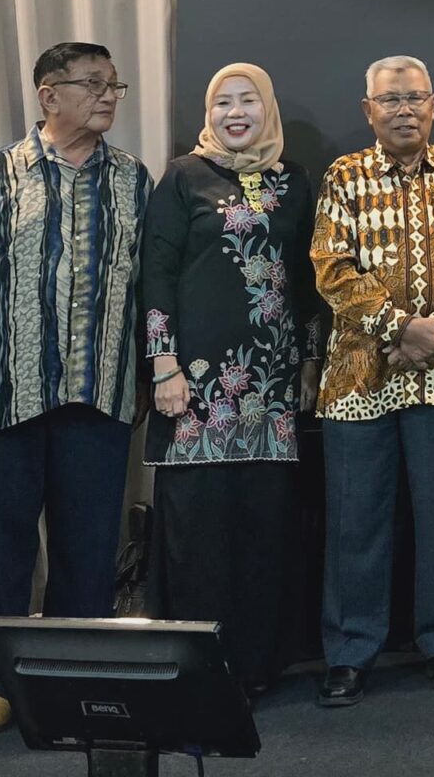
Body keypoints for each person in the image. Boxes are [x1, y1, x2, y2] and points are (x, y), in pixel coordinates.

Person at [0, 41, 152, 735]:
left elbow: (147, 286)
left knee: (88, 549)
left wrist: (148, 373)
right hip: (8, 395)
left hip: (100, 392)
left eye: (114, 85)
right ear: (48, 94)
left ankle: (75, 681)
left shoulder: (133, 179)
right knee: (1, 544)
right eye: (93, 84)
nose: (108, 96)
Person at [312, 56, 434, 705]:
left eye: (415, 98)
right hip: (359, 378)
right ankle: (350, 651)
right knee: (356, 520)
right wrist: (400, 329)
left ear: (433, 105)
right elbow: (331, 267)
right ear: (368, 110)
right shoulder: (344, 177)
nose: (404, 110)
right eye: (390, 100)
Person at [139, 63, 317, 696]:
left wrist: (310, 362)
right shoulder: (183, 177)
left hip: (271, 388)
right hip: (196, 390)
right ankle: (197, 670)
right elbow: (156, 275)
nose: (235, 113)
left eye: (247, 101)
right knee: (199, 532)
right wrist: (163, 365)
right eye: (222, 102)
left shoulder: (294, 182)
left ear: (267, 108)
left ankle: (255, 665)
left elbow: (307, 280)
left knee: (262, 529)